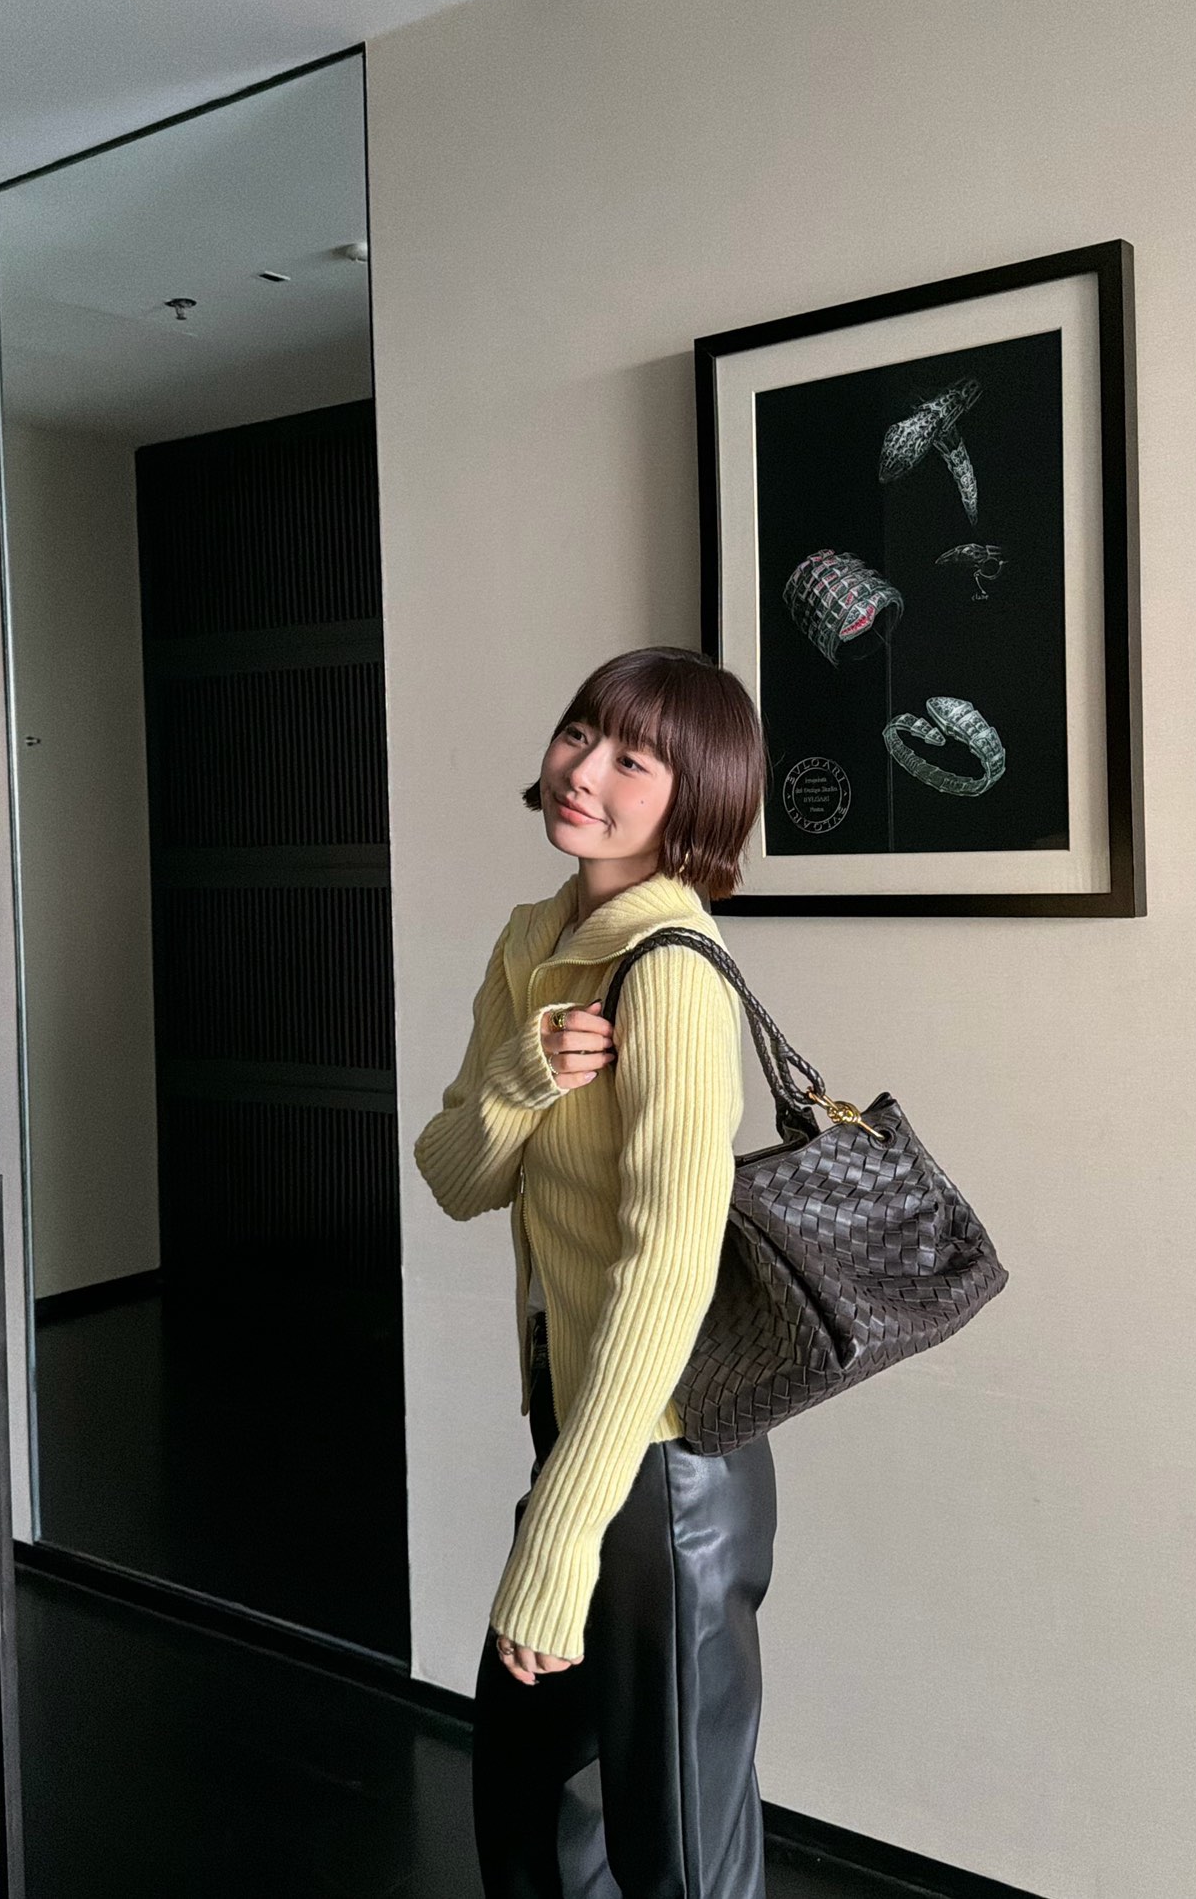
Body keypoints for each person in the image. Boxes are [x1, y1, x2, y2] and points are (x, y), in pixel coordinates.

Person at [412, 645, 778, 1898]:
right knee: (529, 1811)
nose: (585, 770)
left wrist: (561, 1540)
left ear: (694, 800)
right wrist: (522, 1076)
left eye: (633, 760)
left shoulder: (669, 969)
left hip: (666, 1474)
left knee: (676, 1854)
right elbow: (457, 1176)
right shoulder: (534, 940)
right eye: (580, 733)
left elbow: (668, 1270)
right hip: (578, 1437)